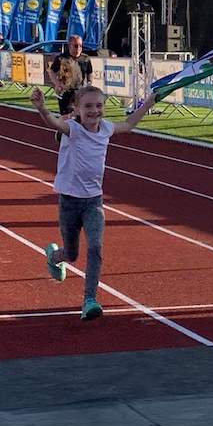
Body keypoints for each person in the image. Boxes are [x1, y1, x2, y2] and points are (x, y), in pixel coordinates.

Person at [32, 84, 156, 320]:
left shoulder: (106, 128)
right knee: (72, 254)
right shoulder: (73, 129)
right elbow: (54, 123)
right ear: (77, 109)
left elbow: (129, 124)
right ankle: (54, 257)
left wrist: (148, 102)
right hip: (69, 202)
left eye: (99, 105)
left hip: (93, 202)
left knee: (96, 247)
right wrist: (41, 108)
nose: (94, 110)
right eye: (88, 106)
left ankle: (89, 299)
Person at [49, 34, 93, 116]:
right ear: (69, 46)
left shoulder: (85, 58)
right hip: (66, 93)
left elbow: (90, 72)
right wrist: (57, 84)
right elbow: (52, 71)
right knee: (66, 118)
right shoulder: (61, 58)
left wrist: (89, 83)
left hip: (80, 92)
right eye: (75, 46)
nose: (78, 48)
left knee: (80, 116)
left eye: (80, 46)